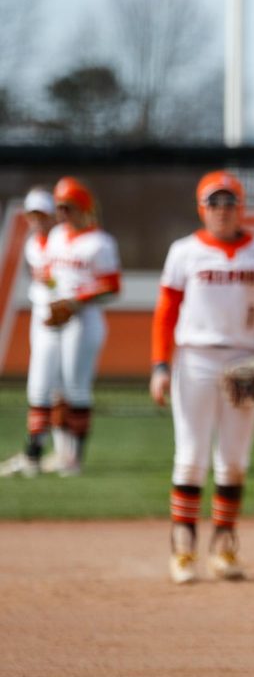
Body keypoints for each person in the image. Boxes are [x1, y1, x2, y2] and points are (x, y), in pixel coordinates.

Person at [150, 171, 254, 585]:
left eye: (230, 203)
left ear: (240, 207)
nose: (223, 211)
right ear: (201, 208)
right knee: (190, 456)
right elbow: (165, 312)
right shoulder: (185, 251)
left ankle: (224, 546)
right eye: (214, 203)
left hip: (244, 361)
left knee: (232, 460)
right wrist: (160, 365)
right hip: (194, 359)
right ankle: (183, 548)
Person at [28, 177, 122, 477]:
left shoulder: (100, 242)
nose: (63, 213)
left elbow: (112, 286)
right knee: (51, 386)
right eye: (59, 208)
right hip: (58, 316)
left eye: (68, 207)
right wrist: (50, 283)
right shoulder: (56, 236)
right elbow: (54, 275)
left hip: (84, 318)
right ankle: (53, 452)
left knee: (76, 386)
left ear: (83, 208)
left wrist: (76, 300)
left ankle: (75, 458)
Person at [0, 187, 68, 478]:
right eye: (33, 215)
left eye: (42, 214)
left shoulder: (62, 241)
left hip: (63, 322)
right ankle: (46, 453)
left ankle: (40, 454)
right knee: (46, 388)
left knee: (55, 388)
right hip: (43, 319)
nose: (37, 220)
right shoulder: (33, 245)